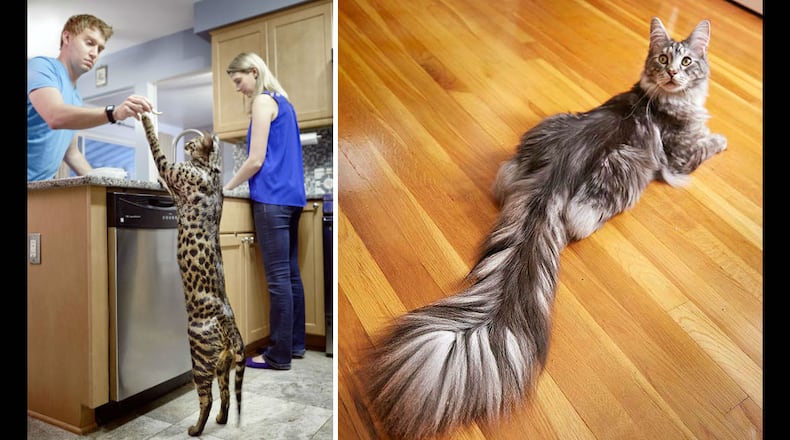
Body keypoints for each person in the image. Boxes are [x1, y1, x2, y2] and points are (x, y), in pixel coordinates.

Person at [223, 52, 307, 370]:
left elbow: (255, 159)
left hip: (271, 198)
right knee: (290, 274)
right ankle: (294, 345)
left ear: (254, 72)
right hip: (292, 199)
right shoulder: (285, 103)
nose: (238, 88)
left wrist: (227, 186)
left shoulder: (262, 102)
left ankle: (277, 355)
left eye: (238, 80)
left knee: (278, 278)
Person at [27, 14, 154, 182]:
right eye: (89, 43)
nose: (94, 53)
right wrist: (114, 113)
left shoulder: (75, 97)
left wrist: (104, 184)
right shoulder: (41, 67)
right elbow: (54, 115)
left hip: (40, 188)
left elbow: (72, 153)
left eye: (100, 49)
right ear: (67, 37)